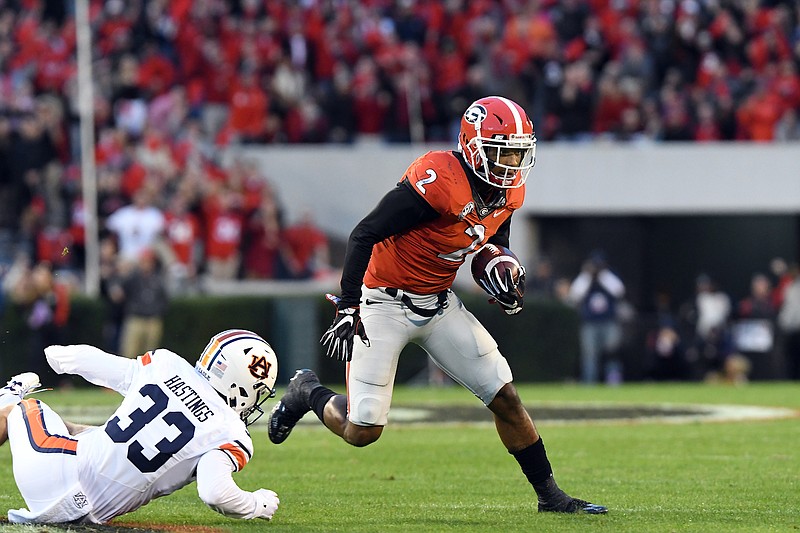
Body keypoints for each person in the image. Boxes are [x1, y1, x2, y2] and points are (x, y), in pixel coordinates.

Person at [268, 96, 606, 514]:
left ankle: (550, 496)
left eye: (519, 152)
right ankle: (306, 390)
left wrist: (501, 268)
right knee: (362, 429)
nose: (512, 164)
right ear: (472, 146)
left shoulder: (510, 189)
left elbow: (493, 238)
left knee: (506, 398)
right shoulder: (438, 179)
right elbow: (363, 234)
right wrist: (349, 304)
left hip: (439, 304)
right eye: (503, 152)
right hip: (383, 303)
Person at [0, 329, 280, 524]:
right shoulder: (229, 432)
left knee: (23, 408)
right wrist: (256, 503)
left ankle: (9, 396)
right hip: (88, 511)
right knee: (75, 430)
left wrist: (57, 356)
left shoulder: (166, 365)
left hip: (50, 476)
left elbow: (92, 363)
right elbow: (214, 491)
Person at [567, 251, 626, 384]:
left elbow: (619, 290)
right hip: (590, 323)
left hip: (609, 322)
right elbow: (575, 294)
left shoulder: (609, 277)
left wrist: (602, 276)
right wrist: (587, 275)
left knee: (612, 353)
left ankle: (613, 382)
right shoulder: (585, 279)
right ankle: (589, 383)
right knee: (589, 355)